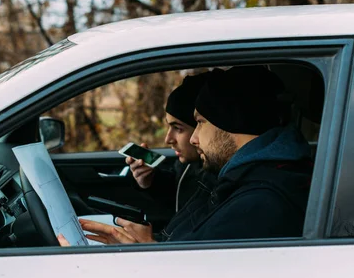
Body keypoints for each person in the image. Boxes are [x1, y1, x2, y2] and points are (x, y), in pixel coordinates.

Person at [63, 65, 313, 245]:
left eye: (201, 123)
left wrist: (147, 251)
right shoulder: (236, 178)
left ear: (230, 122)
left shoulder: (259, 202)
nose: (194, 138)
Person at [59, 72, 217, 245]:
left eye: (178, 128)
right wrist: (151, 181)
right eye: (168, 126)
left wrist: (150, 246)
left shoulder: (218, 179)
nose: (168, 139)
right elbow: (180, 194)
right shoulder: (190, 164)